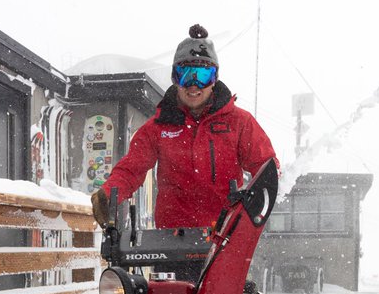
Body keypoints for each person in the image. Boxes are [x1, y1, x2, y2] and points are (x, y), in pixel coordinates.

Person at [91, 24, 278, 240]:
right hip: (171, 241)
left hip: (225, 241)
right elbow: (132, 168)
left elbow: (266, 168)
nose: (194, 85)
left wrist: (254, 208)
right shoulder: (159, 127)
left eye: (203, 75)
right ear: (174, 78)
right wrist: (109, 194)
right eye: (185, 75)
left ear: (214, 79)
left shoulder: (239, 123)